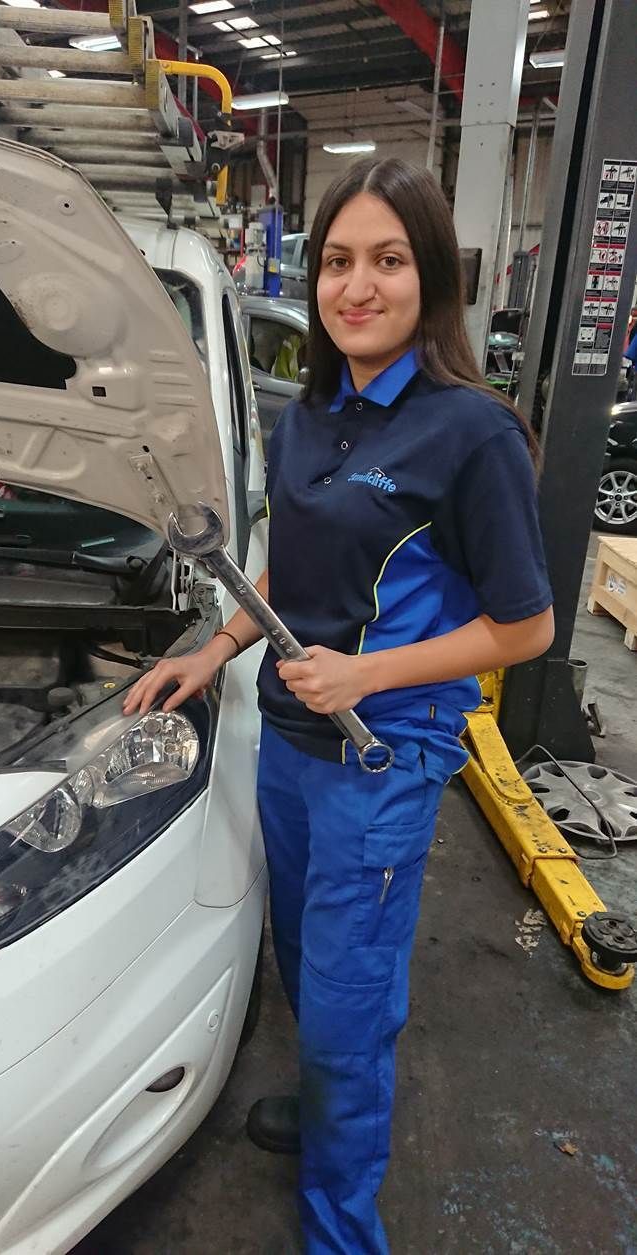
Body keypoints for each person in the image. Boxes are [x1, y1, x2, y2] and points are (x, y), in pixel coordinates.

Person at [123, 157, 554, 1255]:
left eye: (388, 260)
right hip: (292, 748)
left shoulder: (473, 433)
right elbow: (286, 568)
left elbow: (526, 627)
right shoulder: (311, 412)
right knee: (313, 972)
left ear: (433, 279)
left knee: (351, 1009)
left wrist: (365, 674)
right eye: (337, 261)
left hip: (382, 759)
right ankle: (325, 1117)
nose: (356, 285)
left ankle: (341, 1225)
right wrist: (214, 648)